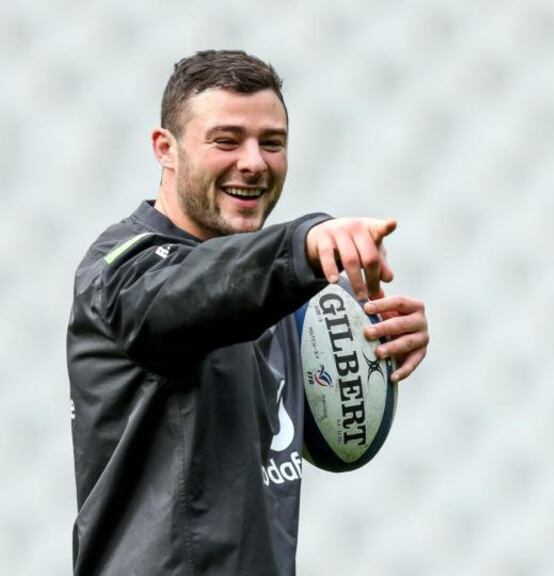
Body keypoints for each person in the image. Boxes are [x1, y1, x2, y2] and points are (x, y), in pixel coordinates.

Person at [66, 50, 429, 575]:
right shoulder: (123, 271)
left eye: (272, 143)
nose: (254, 162)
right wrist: (304, 243)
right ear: (165, 149)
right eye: (226, 140)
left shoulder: (275, 287)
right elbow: (196, 295)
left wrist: (374, 349)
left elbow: (297, 432)